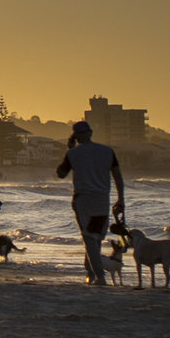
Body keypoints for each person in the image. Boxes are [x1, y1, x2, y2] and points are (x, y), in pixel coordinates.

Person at [55, 121, 126, 285]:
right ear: (91, 132)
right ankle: (91, 273)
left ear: (75, 136)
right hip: (102, 199)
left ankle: (99, 276)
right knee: (96, 238)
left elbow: (60, 174)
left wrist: (69, 150)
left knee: (89, 238)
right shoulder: (107, 151)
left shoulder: (73, 154)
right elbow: (118, 177)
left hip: (83, 199)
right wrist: (121, 199)